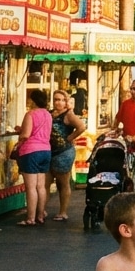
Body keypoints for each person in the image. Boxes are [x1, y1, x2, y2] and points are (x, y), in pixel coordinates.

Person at [47, 89, 86, 221]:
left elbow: (81, 127)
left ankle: (63, 211)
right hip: (50, 151)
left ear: (66, 102)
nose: (58, 102)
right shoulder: (50, 113)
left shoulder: (68, 115)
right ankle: (42, 210)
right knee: (46, 182)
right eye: (56, 99)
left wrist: (70, 137)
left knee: (63, 182)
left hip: (64, 152)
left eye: (62, 100)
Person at [16, 89, 52, 226]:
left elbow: (25, 134)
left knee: (31, 187)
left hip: (31, 152)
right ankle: (40, 215)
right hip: (45, 151)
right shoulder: (48, 115)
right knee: (41, 186)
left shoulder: (31, 114)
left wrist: (19, 135)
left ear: (32, 100)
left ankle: (30, 218)